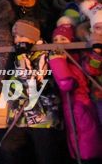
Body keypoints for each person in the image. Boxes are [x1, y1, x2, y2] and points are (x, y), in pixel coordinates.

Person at [0, 19, 60, 163]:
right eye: (14, 37)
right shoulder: (19, 54)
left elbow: (33, 85)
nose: (16, 40)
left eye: (21, 36)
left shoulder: (44, 53)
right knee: (10, 151)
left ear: (32, 36)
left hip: (42, 118)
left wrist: (21, 56)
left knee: (44, 156)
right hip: (19, 117)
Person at [49, 20, 102, 161]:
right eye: (55, 40)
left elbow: (68, 83)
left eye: (63, 39)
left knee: (86, 140)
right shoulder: (60, 59)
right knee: (76, 138)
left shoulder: (77, 58)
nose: (59, 43)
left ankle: (87, 158)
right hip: (69, 107)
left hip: (81, 105)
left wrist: (96, 53)